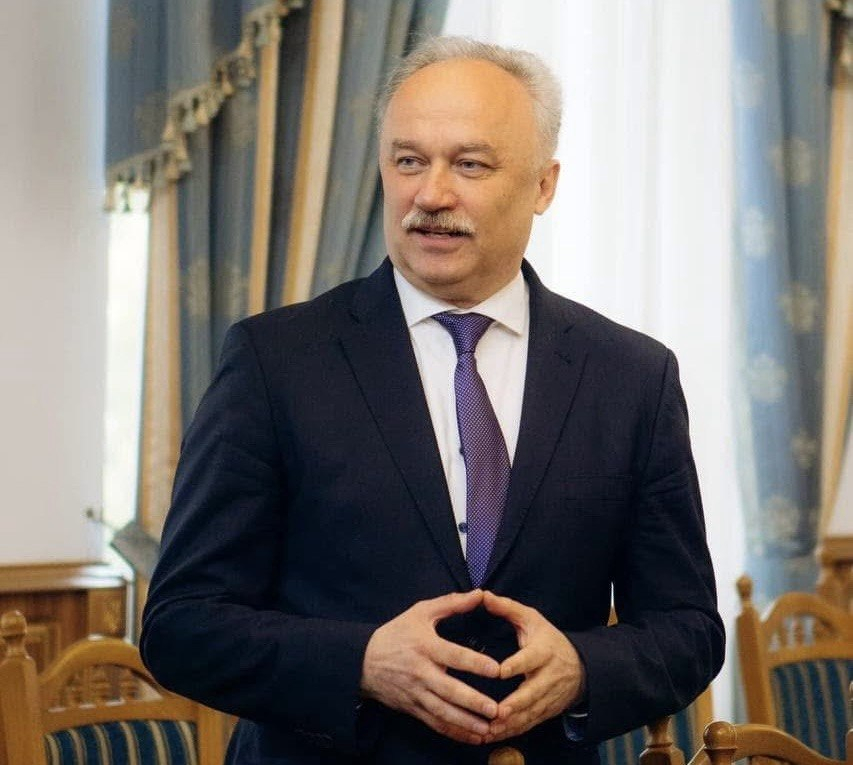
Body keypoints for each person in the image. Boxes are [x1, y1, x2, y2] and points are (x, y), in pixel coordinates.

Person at [141, 36, 724, 765]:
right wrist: (361, 662)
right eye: (409, 160)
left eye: (470, 164)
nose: (431, 195)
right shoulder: (275, 360)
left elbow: (687, 628)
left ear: (543, 186)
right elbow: (181, 625)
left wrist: (582, 668)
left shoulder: (631, 376)